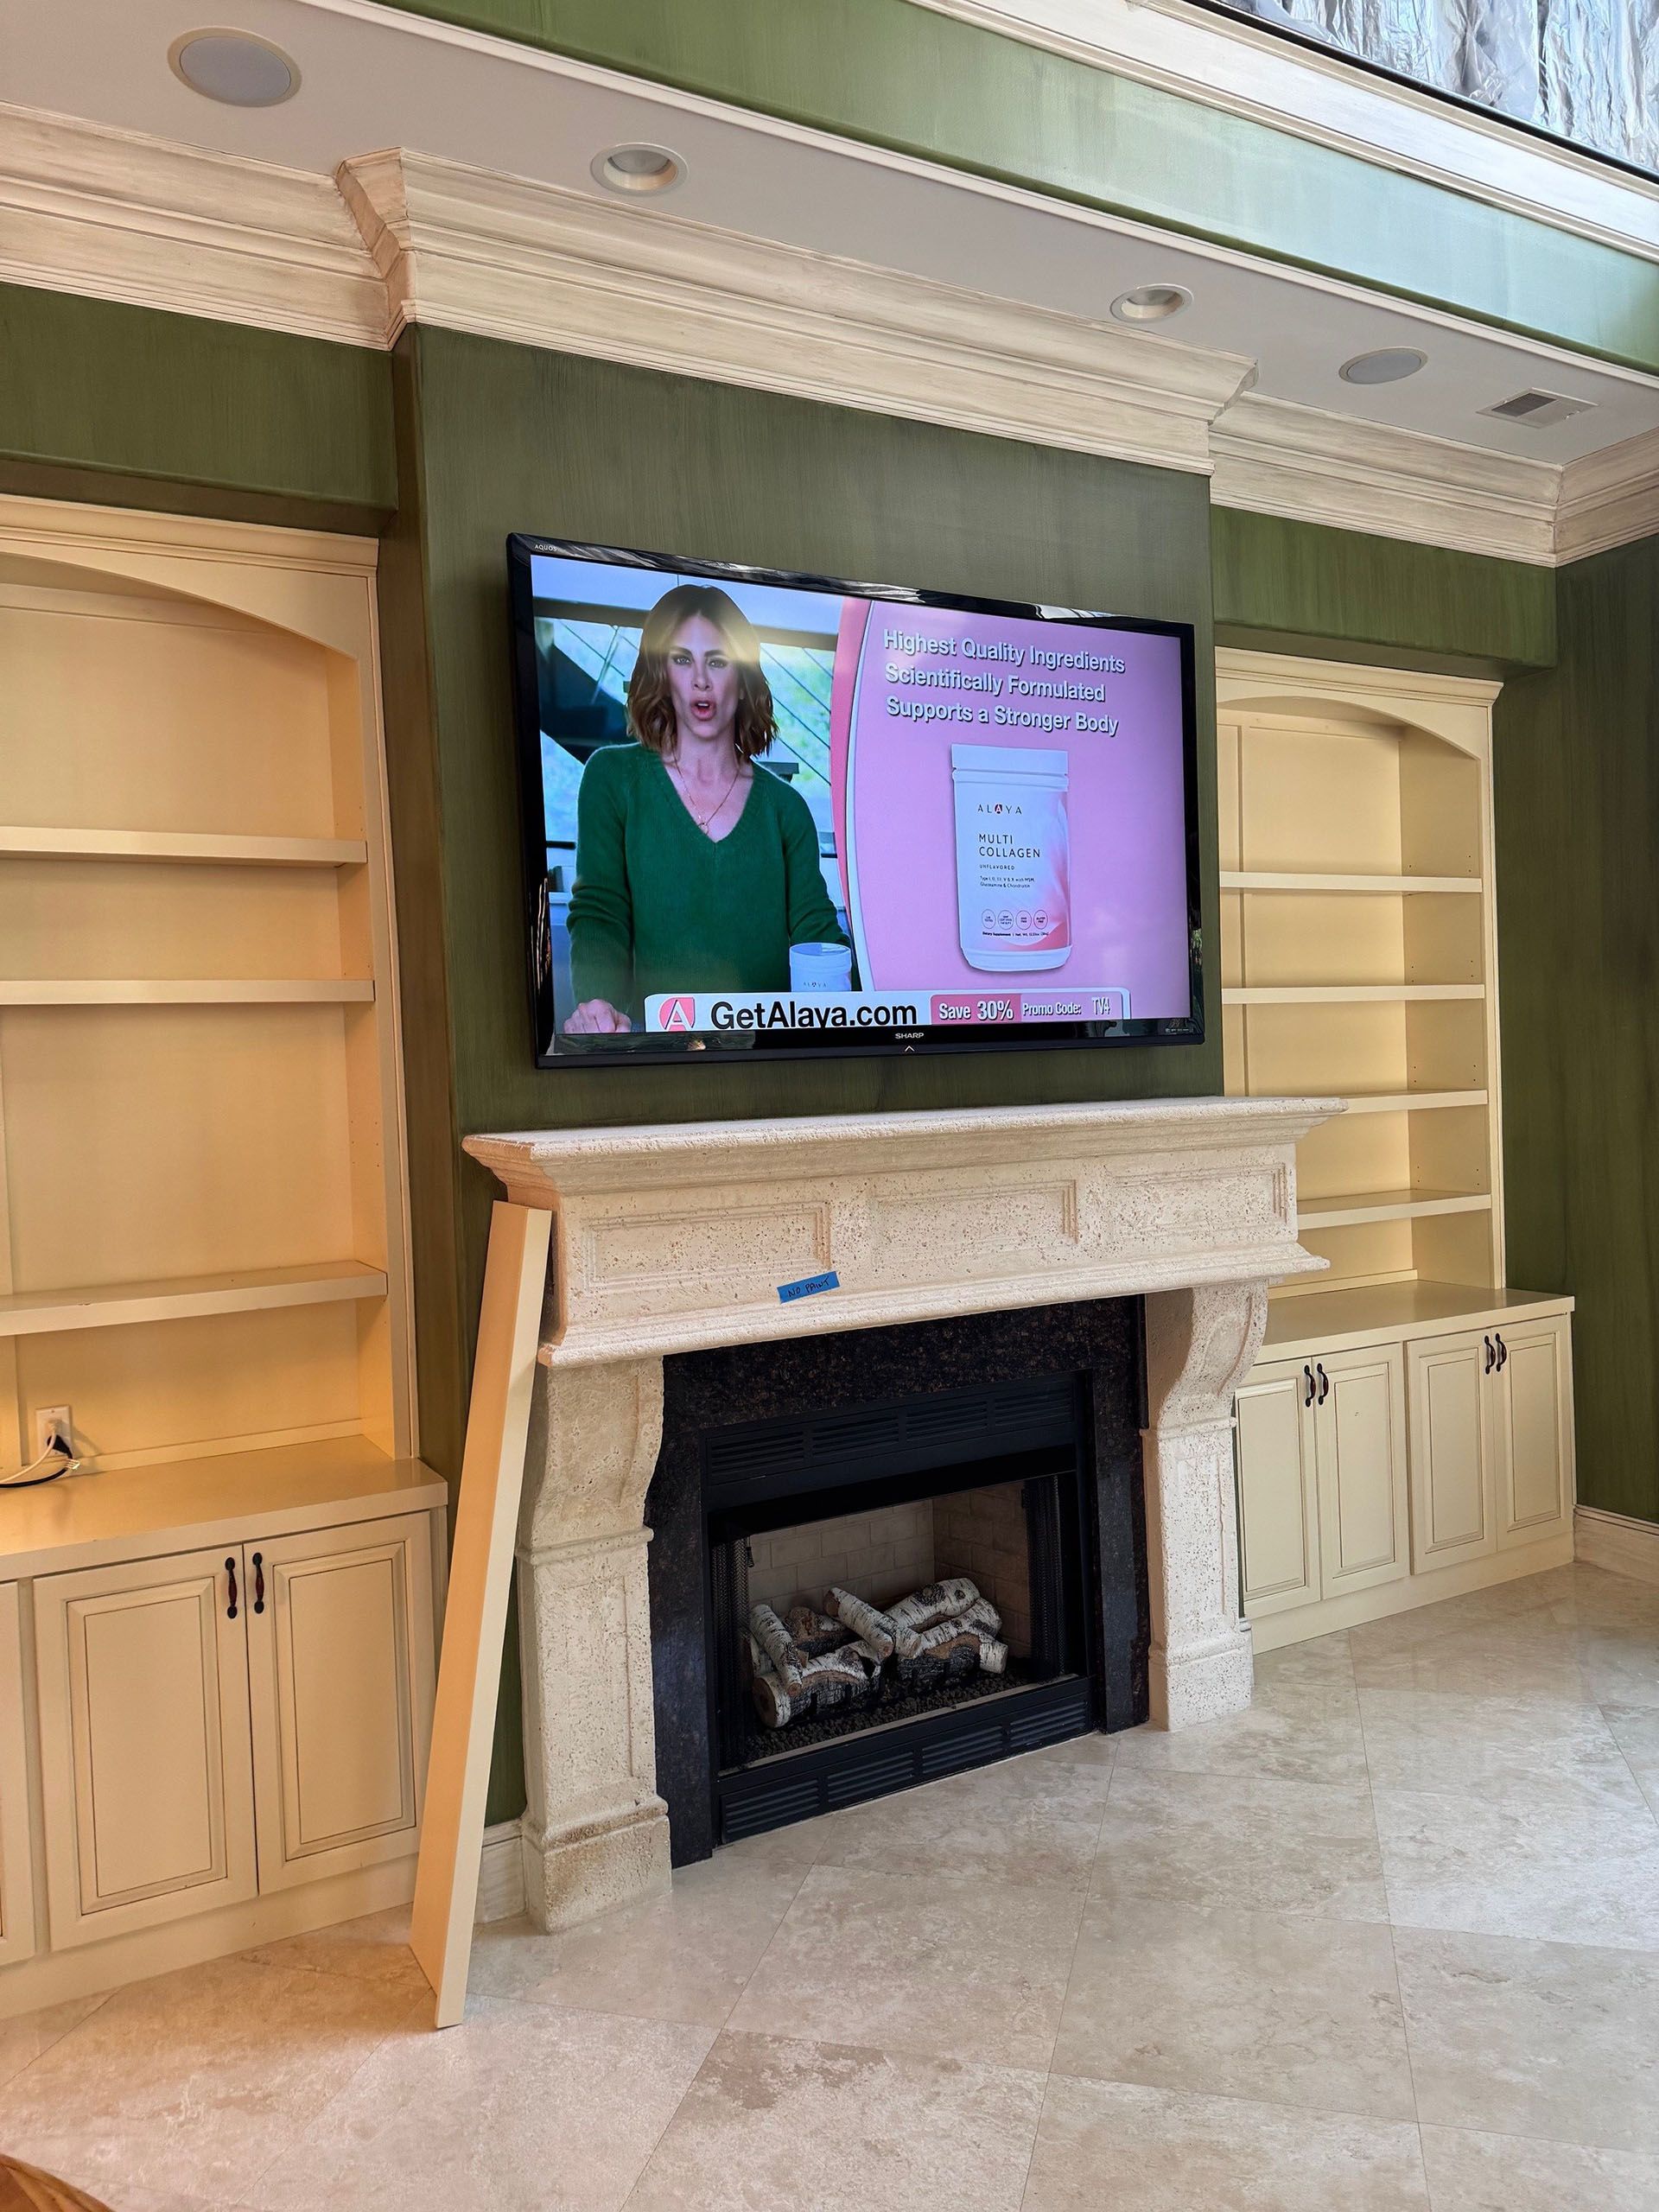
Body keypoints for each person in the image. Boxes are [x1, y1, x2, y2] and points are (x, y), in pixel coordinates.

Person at [563, 582, 848, 1034]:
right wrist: (599, 1008)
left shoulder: (786, 809)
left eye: (717, 661)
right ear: (662, 675)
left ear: (742, 679)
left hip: (770, 1064)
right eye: (682, 660)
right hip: (658, 1063)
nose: (701, 680)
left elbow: (817, 935)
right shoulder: (612, 778)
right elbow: (600, 913)